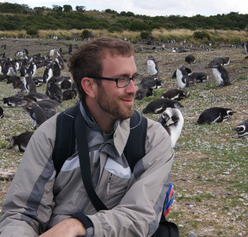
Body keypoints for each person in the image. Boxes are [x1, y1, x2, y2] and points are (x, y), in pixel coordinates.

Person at [0, 37, 175, 236]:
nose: (133, 89)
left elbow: (141, 217)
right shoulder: (52, 135)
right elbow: (22, 213)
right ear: (89, 86)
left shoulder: (151, 139)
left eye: (134, 77)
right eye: (122, 79)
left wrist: (76, 225)